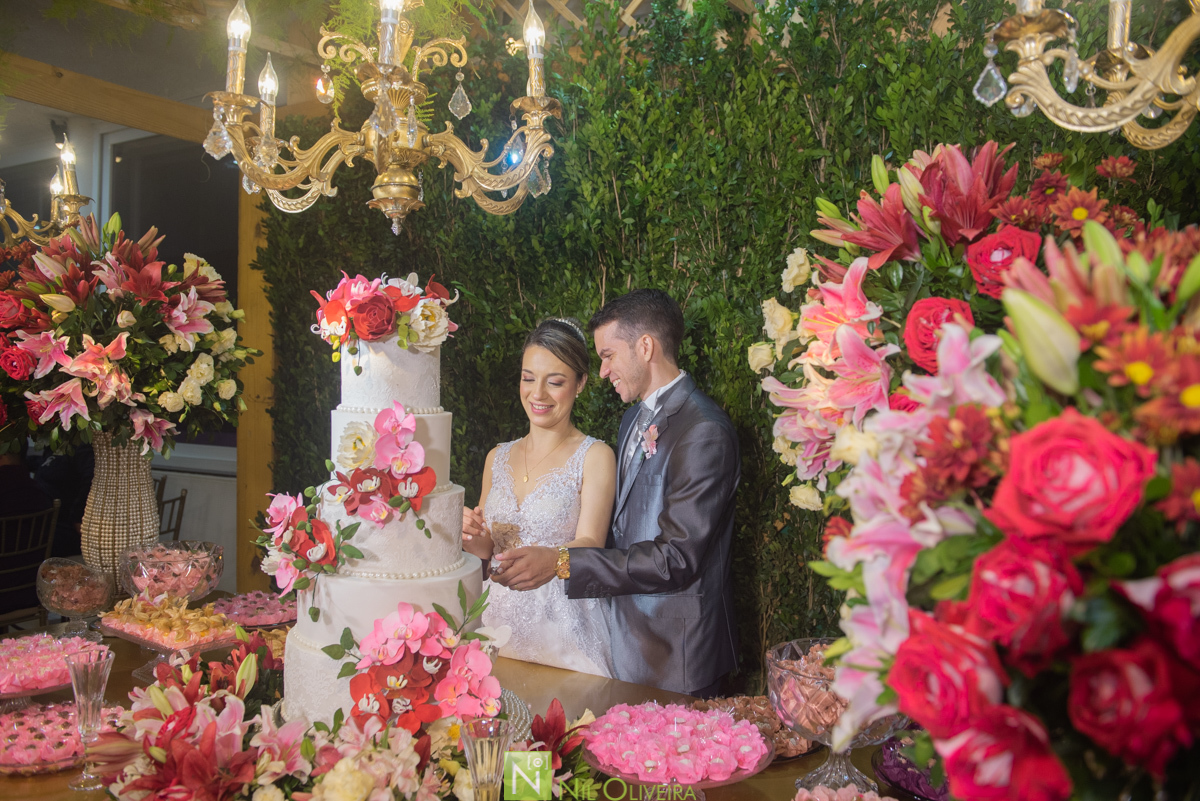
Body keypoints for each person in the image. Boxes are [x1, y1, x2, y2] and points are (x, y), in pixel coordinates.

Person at [491, 289, 740, 697]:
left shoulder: (703, 430)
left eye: (608, 355)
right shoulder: (632, 420)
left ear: (645, 347)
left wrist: (562, 561)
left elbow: (675, 558)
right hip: (621, 636)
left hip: (677, 654)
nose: (604, 370)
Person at [461, 318, 617, 677]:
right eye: (528, 378)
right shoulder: (496, 456)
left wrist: (554, 558)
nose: (538, 394)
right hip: (497, 621)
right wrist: (471, 532)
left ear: (580, 384)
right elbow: (489, 549)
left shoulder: (595, 456)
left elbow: (593, 542)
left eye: (555, 382)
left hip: (563, 625)